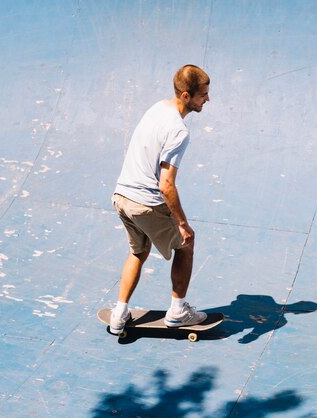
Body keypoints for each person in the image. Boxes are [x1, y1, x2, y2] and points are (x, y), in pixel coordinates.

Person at [109, 65, 210, 335]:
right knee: (187, 244)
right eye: (203, 95)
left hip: (122, 196)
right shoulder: (179, 131)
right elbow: (166, 186)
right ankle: (178, 311)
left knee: (138, 252)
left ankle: (119, 314)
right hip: (145, 202)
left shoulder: (157, 108)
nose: (207, 100)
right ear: (187, 96)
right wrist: (183, 224)